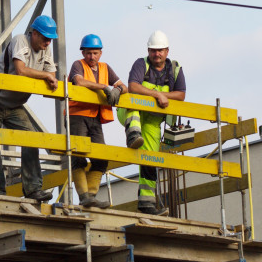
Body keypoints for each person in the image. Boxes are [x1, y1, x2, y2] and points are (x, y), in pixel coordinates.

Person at [0, 15, 59, 202]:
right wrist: (45, 75)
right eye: (45, 37)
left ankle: (33, 189)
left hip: (13, 104)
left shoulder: (46, 49)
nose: (48, 42)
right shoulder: (21, 40)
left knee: (31, 138)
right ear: (34, 33)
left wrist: (48, 76)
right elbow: (21, 69)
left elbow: (52, 75)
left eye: (50, 38)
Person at [117, 30, 185, 215]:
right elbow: (133, 87)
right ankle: (133, 136)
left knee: (150, 161)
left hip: (152, 124)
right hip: (132, 114)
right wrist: (157, 94)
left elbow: (181, 95)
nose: (157, 54)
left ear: (167, 51)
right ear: (148, 51)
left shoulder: (175, 69)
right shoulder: (141, 64)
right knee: (134, 102)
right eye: (154, 50)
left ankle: (147, 204)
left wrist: (164, 95)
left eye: (160, 50)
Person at [67, 34, 127, 208]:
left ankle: (91, 197)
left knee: (101, 158)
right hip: (77, 115)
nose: (91, 57)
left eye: (94, 53)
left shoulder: (105, 68)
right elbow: (78, 81)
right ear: (83, 52)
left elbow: (124, 86)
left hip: (95, 117)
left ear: (100, 53)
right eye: (88, 53)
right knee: (78, 155)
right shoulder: (78, 65)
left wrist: (118, 90)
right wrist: (104, 87)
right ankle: (84, 196)